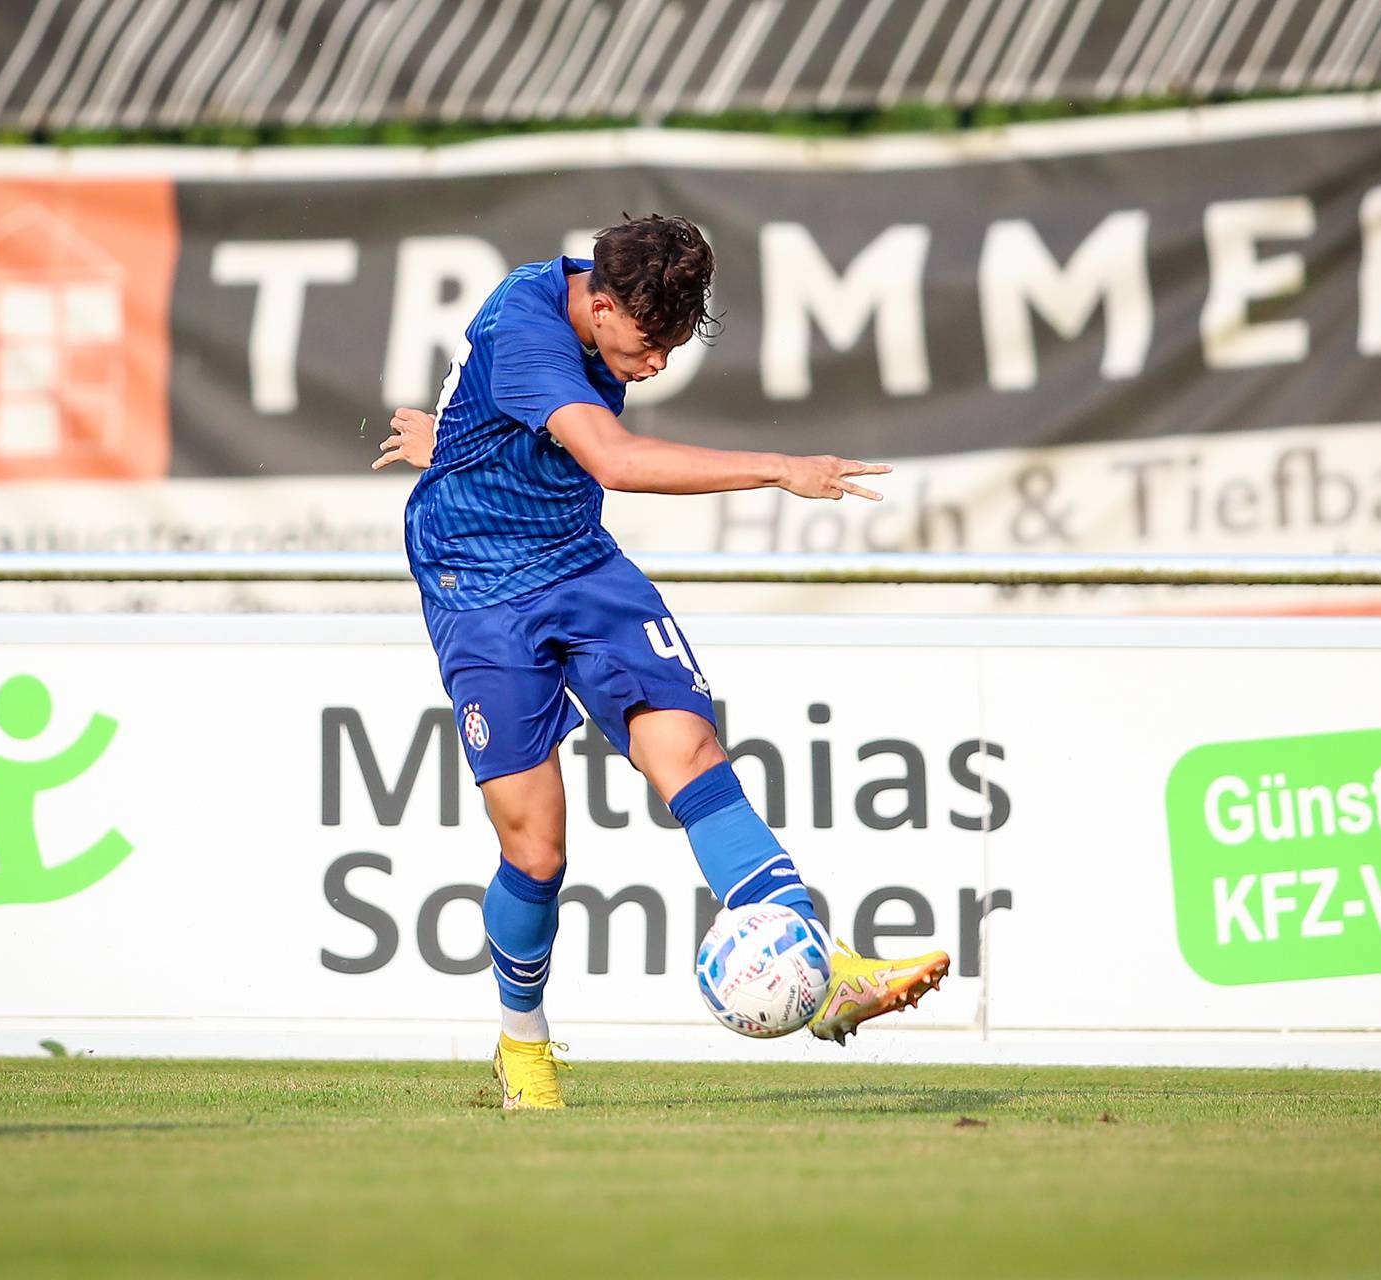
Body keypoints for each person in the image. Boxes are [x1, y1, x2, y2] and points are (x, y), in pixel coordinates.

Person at [371, 214, 949, 1110]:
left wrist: (450, 438)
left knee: (692, 755)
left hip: (576, 559)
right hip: (478, 587)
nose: (659, 365)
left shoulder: (595, 295)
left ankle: (825, 969)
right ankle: (523, 1047)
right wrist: (782, 469)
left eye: (676, 344)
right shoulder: (527, 325)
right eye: (649, 347)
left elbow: (514, 411)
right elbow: (616, 459)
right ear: (598, 306)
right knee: (537, 848)